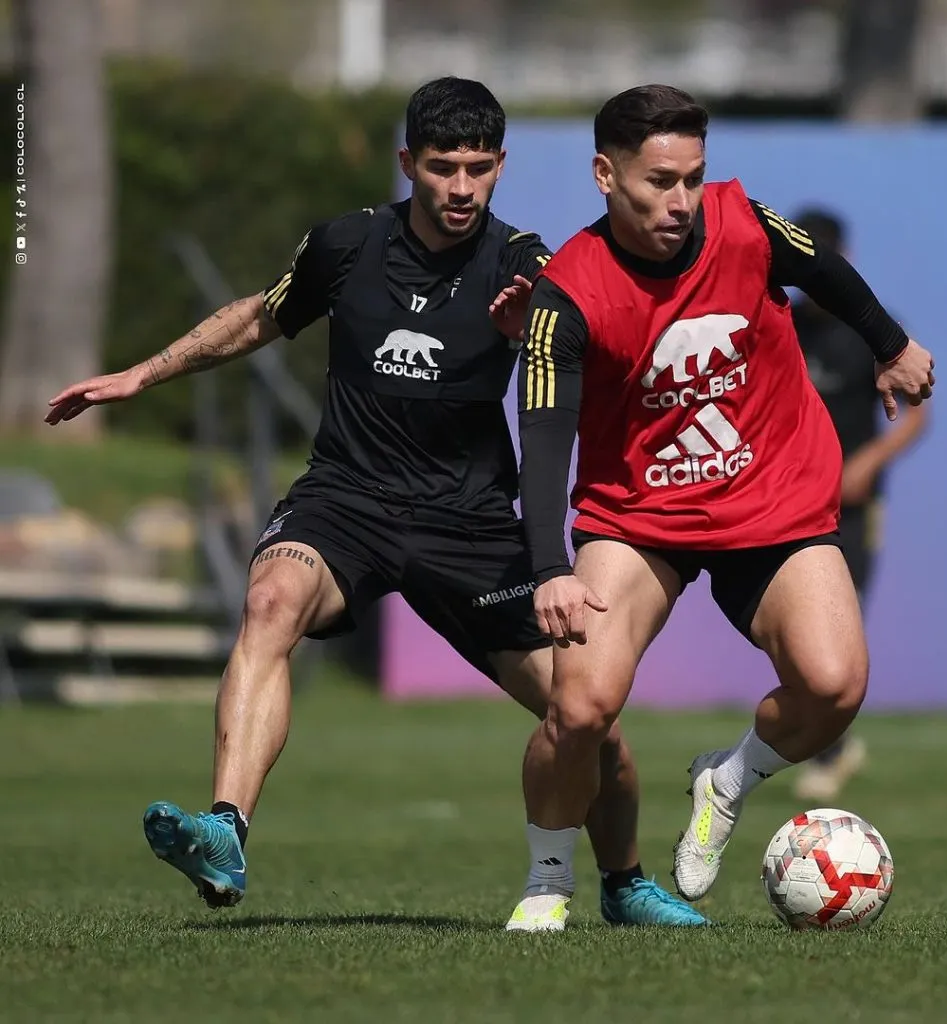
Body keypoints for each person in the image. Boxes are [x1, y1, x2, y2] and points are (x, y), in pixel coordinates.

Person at [45, 77, 705, 929]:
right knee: (270, 601)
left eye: (477, 168)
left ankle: (625, 884)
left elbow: (593, 359)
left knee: (587, 715)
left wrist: (528, 329)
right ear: (407, 164)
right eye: (441, 168)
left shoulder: (527, 265)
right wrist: (143, 373)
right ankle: (225, 829)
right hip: (346, 499)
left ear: (501, 165)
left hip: (469, 524)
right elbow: (260, 318)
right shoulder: (346, 245)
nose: (461, 188)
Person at [499, 84, 933, 930]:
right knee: (580, 703)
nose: (681, 201)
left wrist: (892, 345)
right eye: (659, 181)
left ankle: (726, 781)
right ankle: (549, 884)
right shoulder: (566, 294)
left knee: (835, 687)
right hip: (637, 518)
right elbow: (543, 437)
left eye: (693, 178)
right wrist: (549, 568)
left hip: (770, 497)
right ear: (603, 174)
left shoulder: (744, 222)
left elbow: (824, 272)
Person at [788, 207, 928, 801]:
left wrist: (867, 462)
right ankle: (829, 745)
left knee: (841, 627)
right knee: (799, 631)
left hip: (854, 507)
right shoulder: (778, 322)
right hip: (792, 503)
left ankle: (832, 749)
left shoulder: (871, 327)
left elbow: (915, 415)